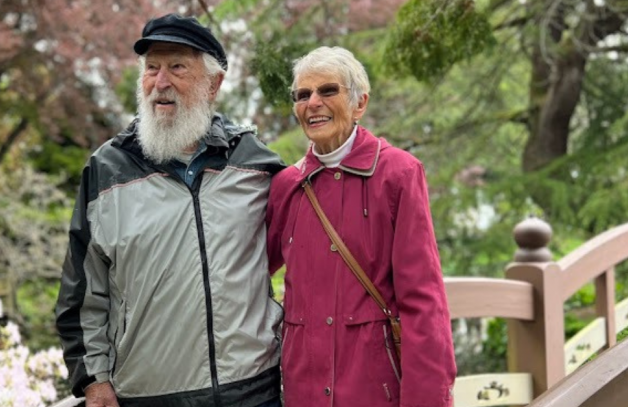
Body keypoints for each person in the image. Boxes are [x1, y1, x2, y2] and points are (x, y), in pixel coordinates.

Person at [55, 13, 285, 407]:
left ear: (214, 84)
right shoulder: (106, 169)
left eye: (177, 67)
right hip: (149, 396)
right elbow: (82, 290)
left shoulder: (255, 163)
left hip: (255, 389)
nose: (160, 83)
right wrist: (93, 381)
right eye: (151, 68)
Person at [266, 46, 457, 407]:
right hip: (302, 391)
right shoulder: (286, 186)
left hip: (375, 389)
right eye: (302, 95)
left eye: (328, 90)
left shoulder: (398, 174)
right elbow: (246, 272)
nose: (313, 103)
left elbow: (423, 299)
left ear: (360, 103)